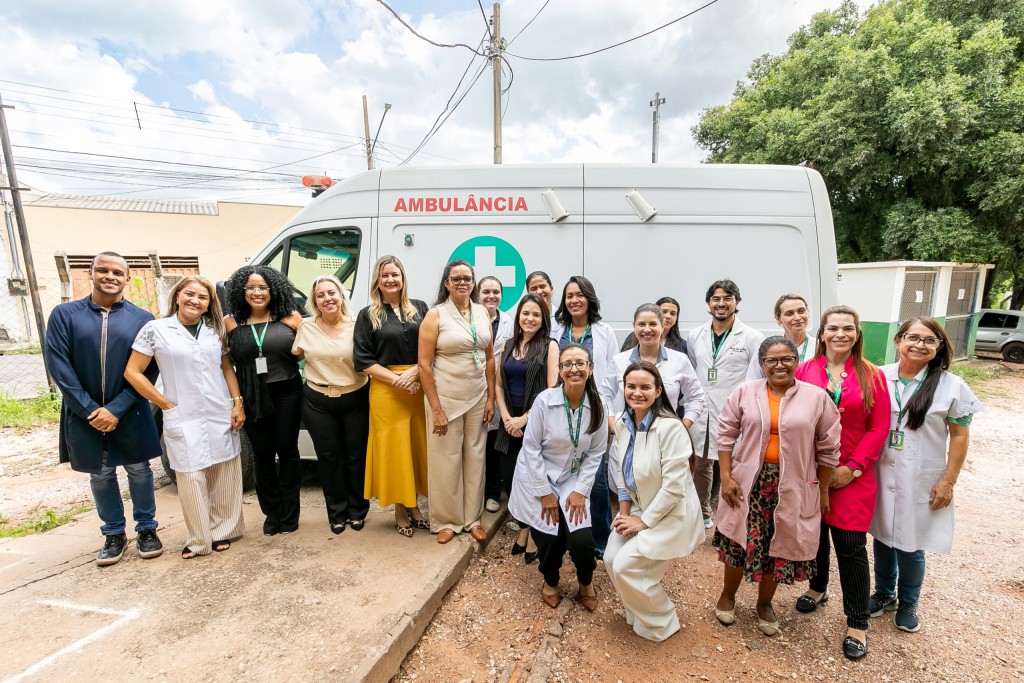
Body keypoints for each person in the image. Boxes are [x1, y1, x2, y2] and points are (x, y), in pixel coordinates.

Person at [713, 336, 840, 636]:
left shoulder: (816, 398)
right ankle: (728, 595)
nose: (779, 365)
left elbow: (829, 448)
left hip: (791, 485)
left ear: (797, 361)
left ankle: (764, 604)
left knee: (776, 546)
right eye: (772, 360)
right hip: (749, 484)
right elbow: (726, 434)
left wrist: (822, 490)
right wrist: (726, 477)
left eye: (786, 359)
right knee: (739, 542)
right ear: (762, 364)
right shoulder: (745, 392)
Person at [43, 252, 164, 566]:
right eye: (103, 270)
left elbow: (149, 369)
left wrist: (117, 408)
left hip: (129, 408)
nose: (110, 276)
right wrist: (90, 410)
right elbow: (58, 365)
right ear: (91, 273)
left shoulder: (142, 318)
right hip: (85, 412)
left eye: (117, 272)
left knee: (140, 470)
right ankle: (113, 534)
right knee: (100, 472)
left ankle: (147, 528)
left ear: (127, 279)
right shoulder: (65, 315)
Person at [868, 317, 982, 634]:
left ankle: (908, 602)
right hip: (882, 471)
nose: (920, 344)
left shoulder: (951, 386)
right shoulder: (879, 376)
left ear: (939, 347)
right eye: (913, 337)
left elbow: (959, 437)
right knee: (882, 535)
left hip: (920, 475)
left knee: (911, 542)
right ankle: (884, 594)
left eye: (929, 340)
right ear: (898, 340)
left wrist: (948, 481)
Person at [124, 276, 246, 558]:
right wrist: (164, 403)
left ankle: (222, 531)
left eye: (203, 297)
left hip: (219, 409)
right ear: (177, 296)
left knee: (224, 472)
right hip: (182, 412)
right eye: (189, 294)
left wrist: (237, 403)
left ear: (209, 304)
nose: (195, 300)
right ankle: (199, 538)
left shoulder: (215, 330)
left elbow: (226, 368)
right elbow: (132, 372)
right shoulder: (156, 329)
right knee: (191, 477)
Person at [794, 305, 890, 661]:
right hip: (810, 472)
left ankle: (857, 622)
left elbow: (879, 427)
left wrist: (853, 467)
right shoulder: (805, 370)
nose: (840, 334)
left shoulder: (872, 376)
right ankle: (817, 587)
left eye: (847, 328)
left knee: (850, 546)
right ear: (821, 333)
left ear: (857, 333)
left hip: (851, 475)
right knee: (815, 535)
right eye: (833, 328)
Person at [605, 361, 704, 642]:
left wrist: (643, 522)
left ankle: (662, 622)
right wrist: (625, 514)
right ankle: (637, 612)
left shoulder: (671, 428)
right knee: (610, 558)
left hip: (671, 513)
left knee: (626, 566)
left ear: (658, 391)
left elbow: (674, 488)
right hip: (639, 507)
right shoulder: (623, 423)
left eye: (645, 387)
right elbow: (622, 474)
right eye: (631, 386)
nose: (637, 393)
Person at [508, 343, 607, 611]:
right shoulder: (544, 401)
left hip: (573, 476)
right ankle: (550, 580)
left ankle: (585, 581)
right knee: (550, 538)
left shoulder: (599, 405)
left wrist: (581, 490)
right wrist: (544, 492)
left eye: (580, 363)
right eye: (567, 364)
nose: (574, 369)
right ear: (560, 370)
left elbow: (596, 452)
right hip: (539, 475)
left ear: (590, 369)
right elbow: (531, 448)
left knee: (582, 540)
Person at [419, 260, 496, 544]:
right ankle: (447, 521)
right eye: (456, 279)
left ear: (473, 283)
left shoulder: (482, 312)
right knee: (446, 459)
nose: (462, 283)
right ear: (446, 283)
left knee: (475, 457)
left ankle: (472, 519)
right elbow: (424, 365)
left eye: (467, 278)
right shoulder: (435, 315)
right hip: (446, 398)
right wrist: (436, 409)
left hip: (477, 396)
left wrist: (491, 397)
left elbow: (490, 357)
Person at [224, 265, 303, 536]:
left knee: (288, 451)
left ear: (273, 290)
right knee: (263, 455)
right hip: (251, 394)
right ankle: (272, 514)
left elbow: (306, 353)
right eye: (251, 287)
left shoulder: (290, 317)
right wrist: (237, 401)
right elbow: (226, 365)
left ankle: (290, 514)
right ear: (241, 290)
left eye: (262, 287)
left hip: (287, 393)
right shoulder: (231, 323)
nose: (256, 293)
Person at [354, 255, 430, 536]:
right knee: (396, 451)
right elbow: (363, 360)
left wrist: (416, 373)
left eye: (394, 274)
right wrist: (399, 380)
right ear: (377, 280)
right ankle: (401, 509)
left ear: (403, 278)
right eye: (384, 275)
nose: (390, 280)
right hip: (387, 391)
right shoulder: (367, 315)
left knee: (416, 448)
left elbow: (433, 346)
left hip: (419, 386)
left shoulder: (420, 308)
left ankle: (414, 505)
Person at [293, 275, 369, 535]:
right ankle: (336, 513)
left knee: (356, 457)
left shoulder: (359, 325)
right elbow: (296, 356)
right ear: (314, 301)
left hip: (356, 397)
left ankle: (357, 511)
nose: (327, 298)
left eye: (331, 292)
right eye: (320, 295)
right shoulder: (306, 327)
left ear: (341, 295)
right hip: (318, 402)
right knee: (329, 458)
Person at [687, 279, 764, 529]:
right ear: (708, 303)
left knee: (735, 462)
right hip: (703, 409)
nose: (721, 303)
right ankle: (702, 510)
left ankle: (733, 513)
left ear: (736, 302)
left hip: (736, 410)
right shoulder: (695, 335)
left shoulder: (752, 337)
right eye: (716, 299)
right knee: (701, 462)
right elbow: (694, 369)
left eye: (727, 298)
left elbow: (755, 378)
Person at [551, 275, 618, 557]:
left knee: (597, 480)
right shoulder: (556, 330)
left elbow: (613, 376)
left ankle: (601, 541)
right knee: (562, 473)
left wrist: (610, 414)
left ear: (589, 298)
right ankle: (566, 537)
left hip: (594, 410)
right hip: (560, 410)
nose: (574, 300)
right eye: (569, 296)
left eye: (579, 295)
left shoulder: (604, 332)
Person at [494, 294, 559, 563]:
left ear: (543, 319)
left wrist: (524, 419)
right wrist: (507, 417)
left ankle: (533, 533)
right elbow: (498, 384)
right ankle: (523, 528)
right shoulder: (508, 345)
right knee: (511, 478)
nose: (530, 319)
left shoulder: (550, 346)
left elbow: (552, 389)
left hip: (536, 424)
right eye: (525, 313)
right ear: (518, 316)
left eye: (536, 314)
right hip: (508, 423)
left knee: (534, 479)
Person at [602, 303, 705, 434]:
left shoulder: (680, 360)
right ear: (634, 326)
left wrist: (681, 429)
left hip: (666, 438)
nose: (647, 329)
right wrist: (614, 427)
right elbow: (604, 396)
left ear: (662, 326)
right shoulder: (619, 361)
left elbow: (696, 398)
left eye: (653, 324)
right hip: (626, 436)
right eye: (641, 324)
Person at [480, 275, 515, 513]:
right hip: (473, 388)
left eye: (496, 292)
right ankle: (473, 494)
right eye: (486, 292)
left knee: (492, 445)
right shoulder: (470, 317)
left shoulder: (509, 322)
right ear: (477, 294)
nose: (491, 296)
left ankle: (492, 493)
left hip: (499, 387)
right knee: (474, 445)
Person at [747, 294, 815, 379]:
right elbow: (752, 382)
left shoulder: (820, 348)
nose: (797, 317)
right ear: (778, 319)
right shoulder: (766, 349)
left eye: (801, 311)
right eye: (789, 314)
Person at [620, 297, 688, 354]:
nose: (668, 316)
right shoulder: (633, 337)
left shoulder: (682, 345)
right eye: (664, 312)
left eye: (673, 314)